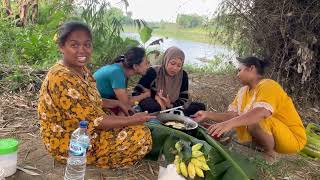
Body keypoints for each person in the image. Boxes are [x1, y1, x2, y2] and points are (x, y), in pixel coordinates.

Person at [37, 21, 155, 168]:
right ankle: (94, 157)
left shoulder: (81, 69)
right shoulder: (61, 77)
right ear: (62, 46)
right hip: (69, 140)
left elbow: (89, 100)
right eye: (74, 45)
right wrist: (133, 120)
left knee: (126, 119)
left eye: (87, 44)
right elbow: (96, 121)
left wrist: (116, 103)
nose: (82, 50)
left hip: (83, 125)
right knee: (141, 136)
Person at [193, 56, 306, 161]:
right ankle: (262, 147)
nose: (237, 74)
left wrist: (228, 124)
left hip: (292, 140)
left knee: (256, 120)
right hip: (273, 136)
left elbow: (261, 113)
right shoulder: (243, 91)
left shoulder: (269, 85)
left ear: (251, 68)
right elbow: (232, 115)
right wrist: (207, 114)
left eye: (239, 70)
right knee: (246, 122)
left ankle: (270, 154)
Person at [132, 46, 205, 116]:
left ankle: (167, 112)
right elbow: (136, 92)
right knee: (153, 107)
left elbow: (184, 98)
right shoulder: (153, 72)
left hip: (172, 106)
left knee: (200, 107)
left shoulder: (183, 75)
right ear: (166, 60)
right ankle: (169, 113)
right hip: (154, 103)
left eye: (179, 65)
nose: (175, 68)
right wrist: (156, 97)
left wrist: (170, 105)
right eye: (172, 63)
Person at [93, 47, 151, 115]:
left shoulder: (120, 69)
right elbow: (126, 103)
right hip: (93, 105)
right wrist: (146, 95)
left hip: (103, 102)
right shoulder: (117, 73)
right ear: (135, 66)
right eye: (146, 63)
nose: (148, 66)